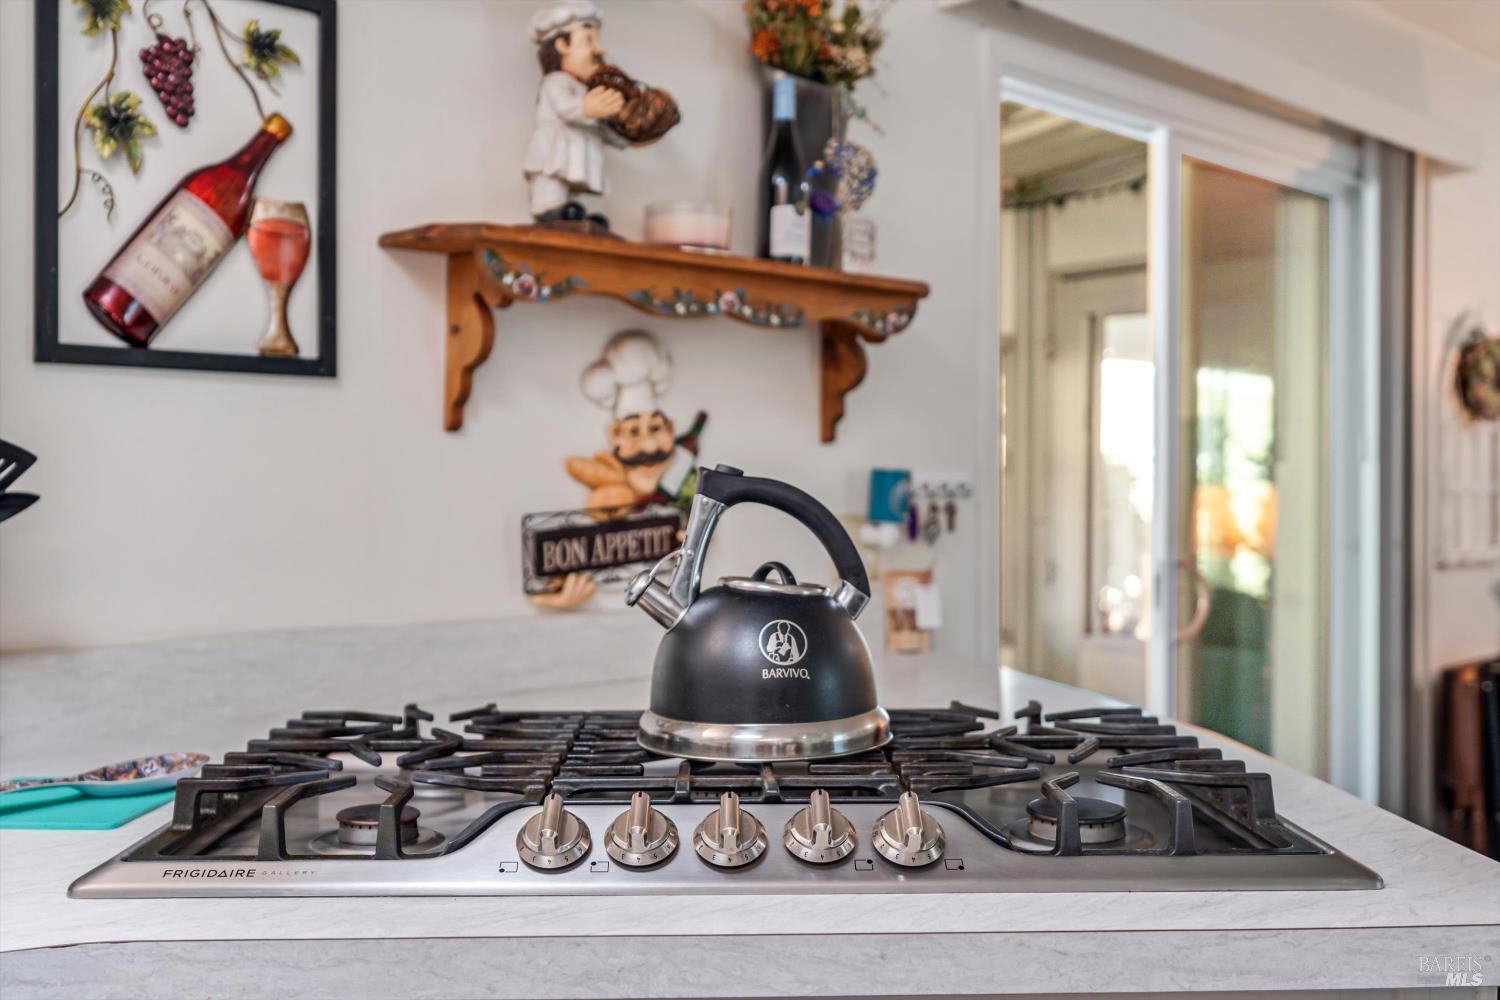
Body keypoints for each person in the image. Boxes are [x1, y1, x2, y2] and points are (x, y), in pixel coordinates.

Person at [524, 0, 626, 229]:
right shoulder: (555, 81)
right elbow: (566, 107)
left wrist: (621, 133)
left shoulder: (586, 89)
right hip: (555, 148)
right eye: (589, 40)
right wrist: (587, 108)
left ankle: (568, 214)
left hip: (575, 147)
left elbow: (600, 126)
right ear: (562, 45)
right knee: (552, 179)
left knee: (569, 182)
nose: (599, 50)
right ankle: (547, 209)